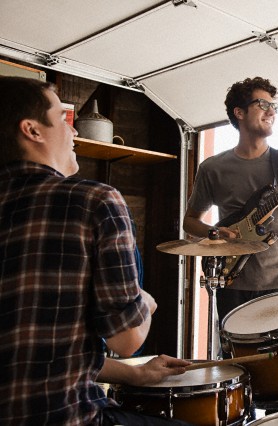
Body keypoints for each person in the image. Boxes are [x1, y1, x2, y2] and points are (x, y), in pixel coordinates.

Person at [0, 76, 190, 425]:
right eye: (62, 119)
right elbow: (128, 339)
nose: (73, 132)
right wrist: (144, 304)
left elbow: (34, 349)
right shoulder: (95, 200)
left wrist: (133, 375)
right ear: (32, 130)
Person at [183, 76, 278, 325]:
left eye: (274, 107)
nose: (271, 112)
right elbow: (190, 222)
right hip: (234, 285)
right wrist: (215, 232)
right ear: (239, 112)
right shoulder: (213, 168)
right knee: (238, 361)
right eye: (262, 104)